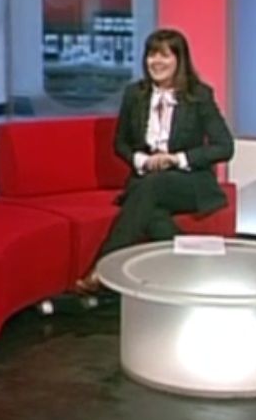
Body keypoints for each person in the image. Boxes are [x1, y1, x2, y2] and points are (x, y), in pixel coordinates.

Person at [74, 28, 234, 294]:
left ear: (179, 60)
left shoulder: (199, 96)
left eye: (164, 56)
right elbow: (120, 143)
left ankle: (103, 270)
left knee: (149, 188)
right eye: (151, 55)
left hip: (189, 182)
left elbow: (225, 147)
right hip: (147, 180)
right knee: (152, 210)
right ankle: (194, 263)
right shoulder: (134, 95)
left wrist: (176, 159)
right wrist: (142, 161)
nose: (156, 62)